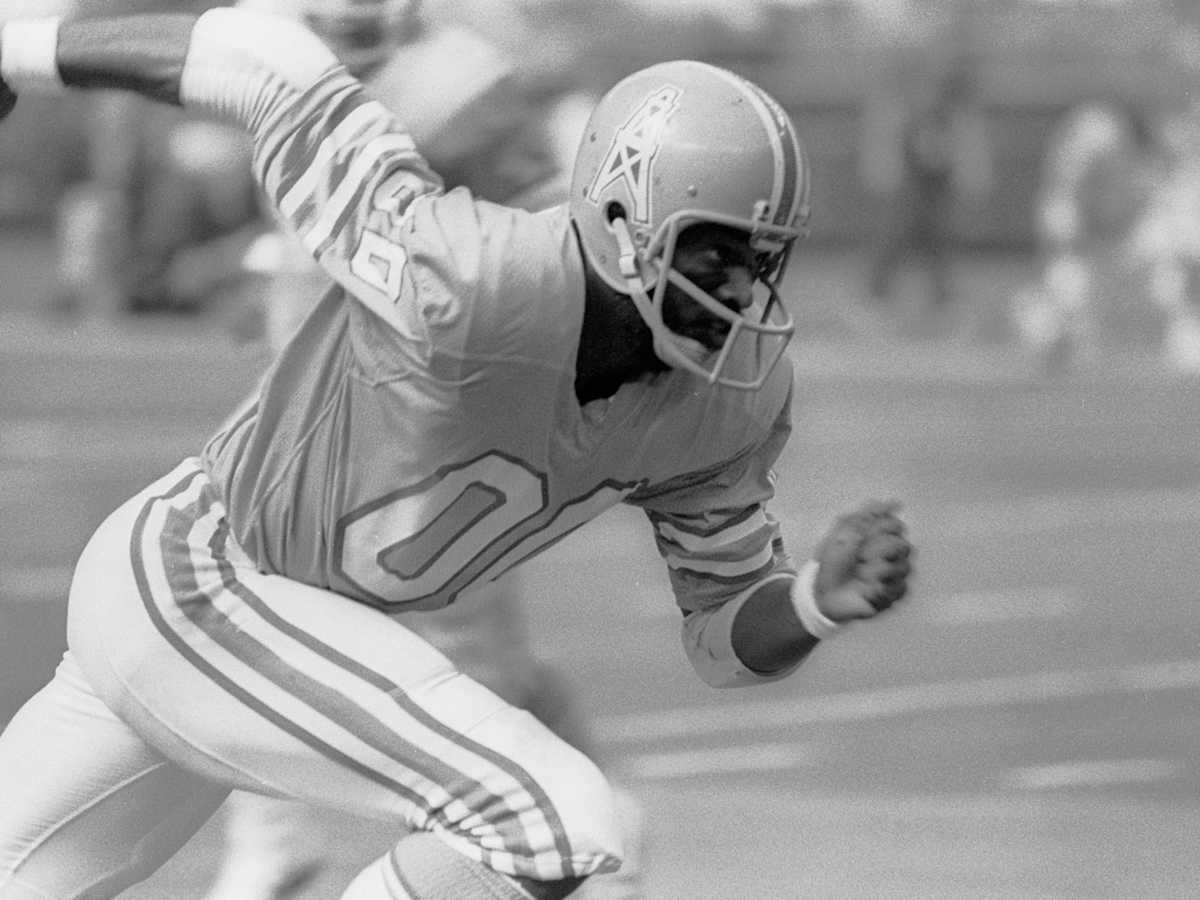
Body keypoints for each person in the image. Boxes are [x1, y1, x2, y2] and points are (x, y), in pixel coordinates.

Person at [0, 8, 914, 900]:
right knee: (551, 820)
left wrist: (812, 603)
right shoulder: (475, 282)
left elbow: (723, 636)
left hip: (256, 632)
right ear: (624, 213)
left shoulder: (723, 403)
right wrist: (18, 46)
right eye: (716, 252)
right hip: (201, 581)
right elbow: (275, 65)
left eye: (764, 261)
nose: (741, 291)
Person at [205, 3, 644, 897]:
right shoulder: (288, 66)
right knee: (242, 595)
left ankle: (588, 837)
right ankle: (271, 839)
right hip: (320, 405)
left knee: (473, 673)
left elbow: (552, 247)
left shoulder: (457, 86)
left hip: (428, 418)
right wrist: (283, 284)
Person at [1012, 96, 1167, 371]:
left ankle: (1062, 343)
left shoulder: (1103, 128)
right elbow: (1077, 179)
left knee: (1079, 287)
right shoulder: (1102, 128)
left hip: (1082, 215)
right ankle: (1047, 336)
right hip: (1072, 215)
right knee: (1071, 284)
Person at [862, 51, 992, 320]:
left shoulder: (946, 109)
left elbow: (951, 149)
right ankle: (875, 294)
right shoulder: (906, 108)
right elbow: (905, 147)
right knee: (897, 234)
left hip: (935, 188)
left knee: (938, 237)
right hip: (912, 187)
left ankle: (942, 297)